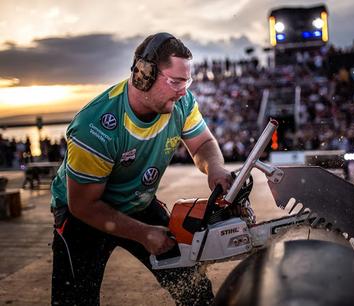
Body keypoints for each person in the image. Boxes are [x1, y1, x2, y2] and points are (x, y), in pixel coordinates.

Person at [50, 32, 232, 306]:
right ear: (142, 75)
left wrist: (215, 168)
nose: (183, 91)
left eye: (187, 81)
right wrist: (143, 234)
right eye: (175, 81)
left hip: (137, 202)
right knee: (75, 300)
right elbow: (83, 205)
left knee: (193, 288)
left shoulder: (181, 103)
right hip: (83, 215)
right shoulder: (96, 127)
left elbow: (203, 142)